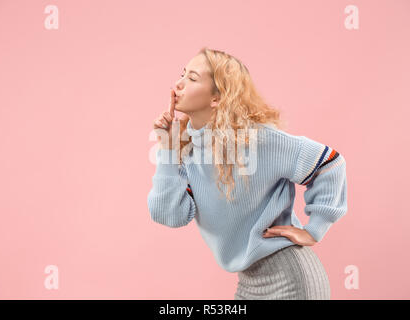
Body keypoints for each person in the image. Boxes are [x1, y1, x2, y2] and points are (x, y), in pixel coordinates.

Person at [148, 47, 348, 300]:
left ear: (217, 98)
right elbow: (169, 215)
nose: (178, 84)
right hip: (249, 282)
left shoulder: (255, 140)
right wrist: (167, 149)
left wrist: (315, 229)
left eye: (192, 78)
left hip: (290, 278)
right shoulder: (187, 153)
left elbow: (330, 163)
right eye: (182, 73)